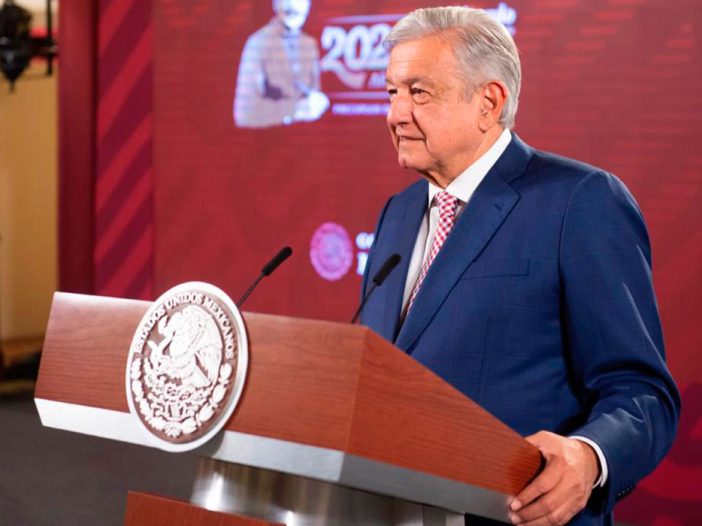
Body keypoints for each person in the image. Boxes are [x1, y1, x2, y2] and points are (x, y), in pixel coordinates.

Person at [360, 7, 680, 526]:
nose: (396, 114)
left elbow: (642, 392)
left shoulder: (579, 201)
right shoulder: (397, 214)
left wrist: (587, 456)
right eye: (392, 92)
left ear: (489, 102)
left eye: (419, 93)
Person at [233, 0, 329, 128]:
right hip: (270, 136)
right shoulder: (258, 43)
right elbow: (244, 114)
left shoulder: (309, 44)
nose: (293, 4)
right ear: (275, 4)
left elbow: (314, 100)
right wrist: (295, 109)